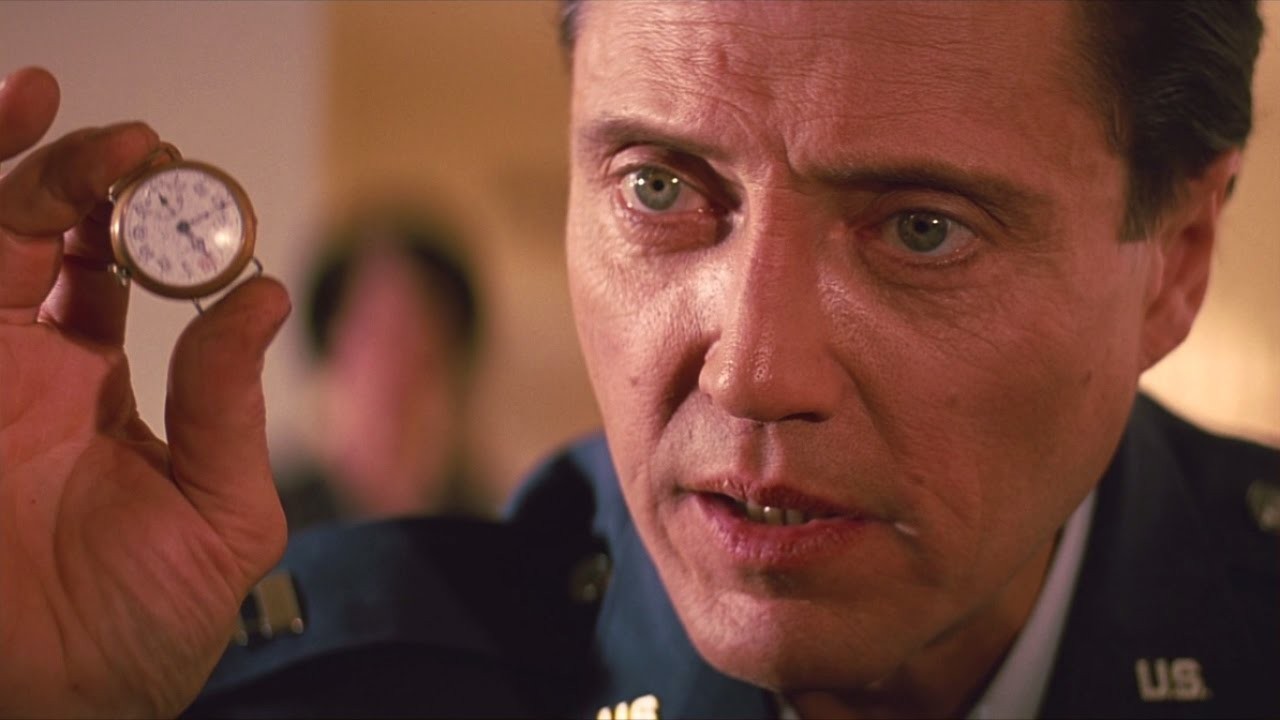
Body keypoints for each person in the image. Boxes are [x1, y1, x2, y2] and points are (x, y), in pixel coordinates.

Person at [0, 1, 1275, 718]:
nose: (751, 374)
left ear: (1172, 261)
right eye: (659, 187)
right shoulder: (320, 685)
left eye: (922, 229)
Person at [277, 208, 485, 532]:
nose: (393, 361)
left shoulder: (486, 529)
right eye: (371, 328)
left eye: (415, 330)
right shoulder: (272, 521)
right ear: (333, 347)